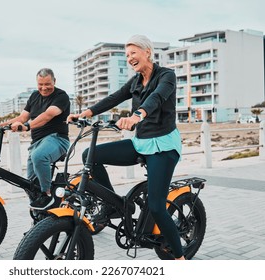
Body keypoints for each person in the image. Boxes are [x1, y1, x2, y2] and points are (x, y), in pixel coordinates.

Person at [67, 35, 185, 260]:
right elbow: (113, 98)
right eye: (127, 55)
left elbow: (158, 98)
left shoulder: (166, 75)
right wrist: (85, 113)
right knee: (89, 155)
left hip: (163, 147)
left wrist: (137, 115)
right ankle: (115, 205)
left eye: (133, 53)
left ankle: (180, 258)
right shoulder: (134, 81)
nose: (129, 58)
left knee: (157, 207)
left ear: (147, 52)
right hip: (140, 144)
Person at [2, 68, 70, 210]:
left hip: (57, 139)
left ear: (54, 81)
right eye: (40, 84)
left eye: (47, 84)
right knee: (31, 186)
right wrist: (0, 125)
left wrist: (26, 127)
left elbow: (47, 115)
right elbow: (22, 117)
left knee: (39, 157)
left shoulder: (61, 96)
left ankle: (47, 193)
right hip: (37, 143)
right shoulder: (34, 96)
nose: (44, 88)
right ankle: (41, 222)